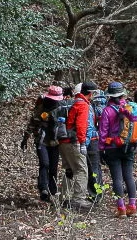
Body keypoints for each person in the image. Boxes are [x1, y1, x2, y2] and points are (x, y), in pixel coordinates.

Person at [98, 81, 137, 217]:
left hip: (112, 147)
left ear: (109, 96)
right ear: (123, 94)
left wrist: (101, 148)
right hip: (129, 146)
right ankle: (132, 206)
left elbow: (103, 131)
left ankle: (121, 208)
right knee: (129, 176)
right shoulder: (131, 108)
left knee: (117, 178)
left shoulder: (107, 111)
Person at [20, 84, 65, 202]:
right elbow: (32, 123)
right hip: (42, 140)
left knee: (53, 167)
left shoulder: (61, 108)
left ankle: (53, 190)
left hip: (55, 141)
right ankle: (43, 188)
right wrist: (25, 138)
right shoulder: (41, 107)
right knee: (45, 163)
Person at [57, 82, 95, 210]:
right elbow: (81, 126)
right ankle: (78, 199)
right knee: (81, 170)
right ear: (90, 94)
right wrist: (82, 143)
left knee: (69, 169)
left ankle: (65, 197)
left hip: (63, 141)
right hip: (74, 141)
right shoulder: (82, 105)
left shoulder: (72, 102)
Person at [86, 86, 107, 203]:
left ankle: (95, 195)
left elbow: (89, 126)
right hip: (101, 139)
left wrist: (85, 142)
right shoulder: (105, 105)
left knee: (92, 167)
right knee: (96, 166)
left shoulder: (91, 106)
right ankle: (99, 191)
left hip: (93, 139)